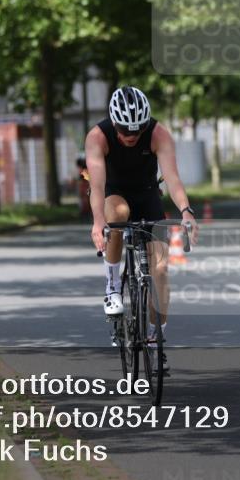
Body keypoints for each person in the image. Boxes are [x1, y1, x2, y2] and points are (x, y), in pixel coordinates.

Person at [85, 86, 198, 366]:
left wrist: (186, 210)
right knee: (118, 213)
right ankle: (112, 286)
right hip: (113, 193)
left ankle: (154, 333)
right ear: (114, 123)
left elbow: (172, 178)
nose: (130, 137)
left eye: (137, 132)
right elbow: (96, 185)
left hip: (148, 194)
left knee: (160, 268)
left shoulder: (159, 134)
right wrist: (99, 221)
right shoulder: (97, 137)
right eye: (124, 131)